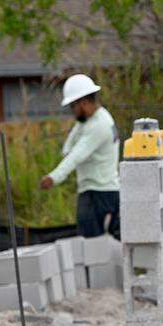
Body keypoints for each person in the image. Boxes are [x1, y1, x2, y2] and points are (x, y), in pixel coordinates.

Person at [39, 74, 121, 238]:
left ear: (83, 103)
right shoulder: (96, 118)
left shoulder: (98, 126)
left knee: (91, 247)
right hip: (103, 192)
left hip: (98, 194)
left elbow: (75, 156)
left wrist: (54, 177)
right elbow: (68, 148)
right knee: (99, 247)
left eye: (72, 107)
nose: (72, 112)